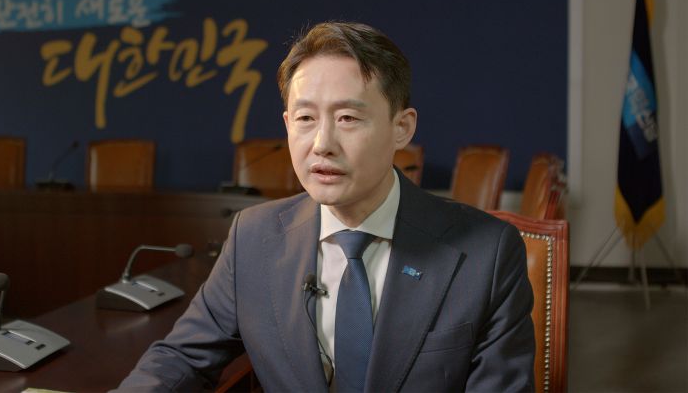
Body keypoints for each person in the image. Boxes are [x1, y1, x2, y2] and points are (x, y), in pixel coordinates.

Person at [115, 22, 535, 392]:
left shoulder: (487, 252)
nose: (322, 144)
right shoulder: (253, 237)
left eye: (348, 118)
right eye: (305, 119)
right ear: (287, 125)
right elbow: (182, 359)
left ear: (402, 128)